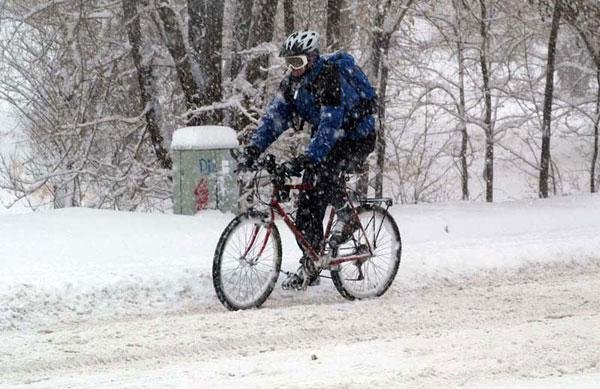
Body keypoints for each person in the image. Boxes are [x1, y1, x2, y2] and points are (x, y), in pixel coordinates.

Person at [239, 30, 377, 289]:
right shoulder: (291, 84)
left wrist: (308, 158)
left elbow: (329, 125)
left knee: (324, 174)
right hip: (331, 139)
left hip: (357, 136)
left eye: (298, 62)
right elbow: (275, 118)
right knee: (306, 207)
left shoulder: (329, 78)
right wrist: (253, 149)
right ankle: (312, 262)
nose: (293, 68)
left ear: (312, 58)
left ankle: (348, 217)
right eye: (289, 62)